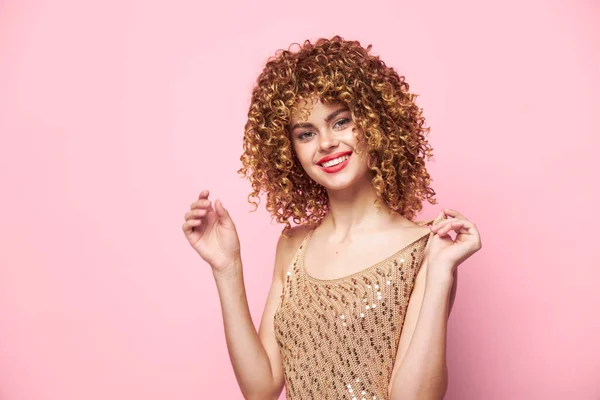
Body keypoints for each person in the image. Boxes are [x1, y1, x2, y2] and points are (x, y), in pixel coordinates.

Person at [182, 36, 482, 400]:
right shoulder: (293, 245)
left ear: (374, 122)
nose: (325, 143)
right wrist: (226, 268)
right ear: (289, 150)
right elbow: (261, 389)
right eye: (306, 133)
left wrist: (440, 272)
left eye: (340, 122)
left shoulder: (425, 250)